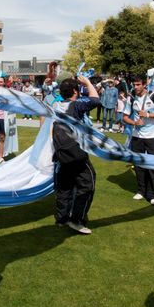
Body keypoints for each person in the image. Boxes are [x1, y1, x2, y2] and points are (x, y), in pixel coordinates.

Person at [53, 76, 101, 234]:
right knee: (88, 184)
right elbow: (95, 100)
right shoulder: (76, 105)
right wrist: (87, 82)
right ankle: (77, 219)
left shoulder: (55, 105)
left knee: (64, 187)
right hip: (76, 152)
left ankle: (62, 219)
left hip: (61, 153)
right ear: (75, 91)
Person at [123, 75, 154, 205]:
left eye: (138, 85)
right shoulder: (131, 97)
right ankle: (141, 190)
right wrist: (134, 122)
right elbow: (125, 117)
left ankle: (152, 195)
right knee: (138, 165)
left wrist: (148, 115)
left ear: (144, 85)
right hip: (137, 136)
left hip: (153, 136)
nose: (135, 87)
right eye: (134, 85)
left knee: (153, 165)